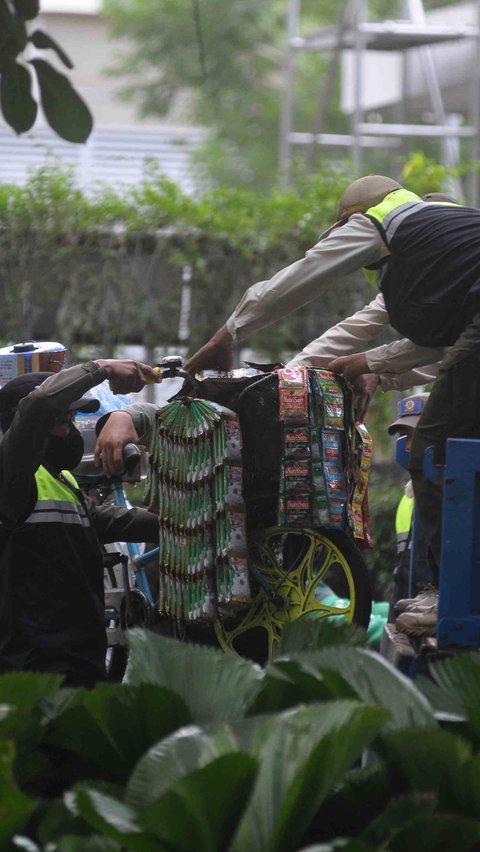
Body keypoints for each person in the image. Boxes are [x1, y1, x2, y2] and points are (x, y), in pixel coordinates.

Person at [179, 175, 480, 634]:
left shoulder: (381, 220)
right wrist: (308, 374)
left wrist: (228, 334)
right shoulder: (447, 243)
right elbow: (405, 337)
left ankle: (451, 596)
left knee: (433, 448)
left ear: (349, 221)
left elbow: (300, 279)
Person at [0, 358, 160, 688]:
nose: (71, 430)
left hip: (79, 662)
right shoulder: (11, 478)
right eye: (63, 419)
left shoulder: (61, 479)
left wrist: (170, 523)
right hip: (33, 672)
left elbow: (98, 520)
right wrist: (101, 368)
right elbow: (38, 405)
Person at [385, 393, 434, 628]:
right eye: (405, 436)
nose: (408, 446)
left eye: (417, 435)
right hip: (406, 605)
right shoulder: (411, 496)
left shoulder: (455, 498)